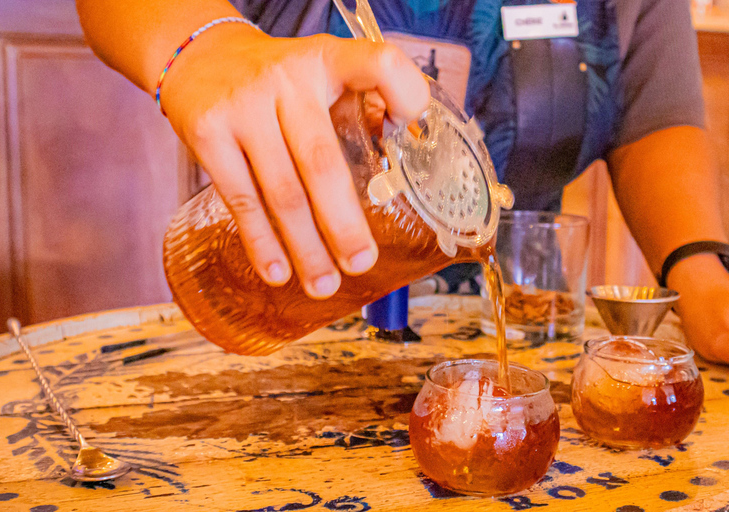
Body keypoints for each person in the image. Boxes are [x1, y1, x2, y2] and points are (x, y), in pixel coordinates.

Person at [75, 0, 729, 363]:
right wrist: (204, 46)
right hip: (276, 329)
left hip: (526, 336)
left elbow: (654, 116)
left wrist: (701, 268)